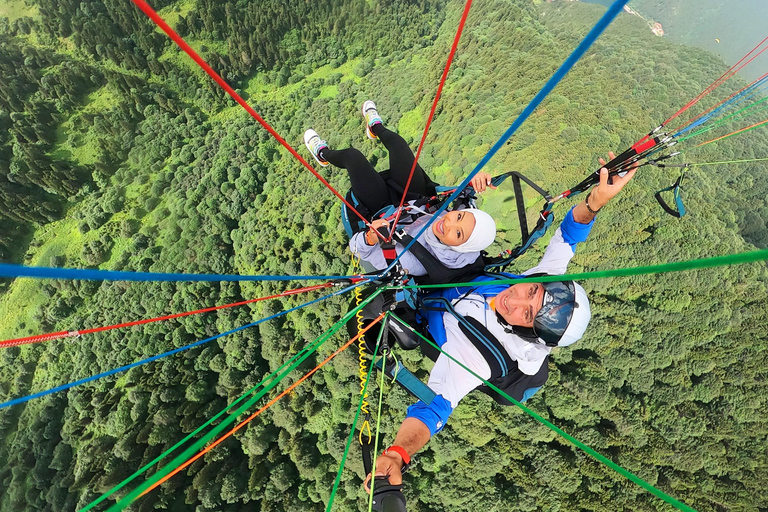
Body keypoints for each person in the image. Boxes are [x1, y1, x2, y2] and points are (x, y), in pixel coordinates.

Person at [364, 152, 638, 490]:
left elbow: (433, 409)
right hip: (462, 280)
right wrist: (595, 202)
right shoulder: (545, 282)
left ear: (532, 333)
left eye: (526, 313)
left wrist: (397, 454)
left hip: (428, 304)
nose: (516, 299)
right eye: (531, 291)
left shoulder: (479, 360)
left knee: (368, 316)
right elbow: (568, 236)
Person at [304, 101, 498, 278]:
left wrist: (371, 237)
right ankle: (375, 127)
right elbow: (463, 197)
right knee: (398, 145)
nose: (448, 224)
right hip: (417, 201)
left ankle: (323, 154)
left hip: (382, 213)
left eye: (457, 234)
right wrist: (474, 182)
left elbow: (358, 249)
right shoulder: (454, 221)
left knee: (353, 158)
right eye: (458, 217)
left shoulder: (414, 262)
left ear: (461, 247)